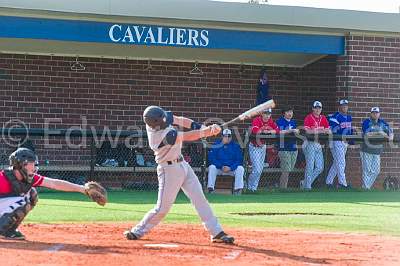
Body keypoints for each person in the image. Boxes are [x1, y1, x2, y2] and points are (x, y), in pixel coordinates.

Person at [124, 106, 234, 244]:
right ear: (156, 124)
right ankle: (137, 231)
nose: (167, 121)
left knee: (199, 199)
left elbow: (180, 120)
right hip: (169, 170)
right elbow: (188, 136)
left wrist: (201, 127)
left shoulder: (159, 118)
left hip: (183, 165)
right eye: (163, 121)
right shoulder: (159, 136)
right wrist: (207, 132)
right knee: (162, 208)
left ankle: (216, 232)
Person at [0, 148, 105, 240]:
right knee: (23, 201)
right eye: (29, 164)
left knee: (32, 195)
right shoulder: (3, 178)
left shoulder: (30, 178)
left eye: (33, 164)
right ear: (19, 165)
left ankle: (9, 230)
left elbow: (54, 183)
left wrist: (83, 189)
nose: (33, 168)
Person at [360, 107, 393, 190]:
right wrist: (379, 132)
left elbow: (390, 130)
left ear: (379, 114)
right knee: (367, 170)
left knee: (376, 171)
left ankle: (366, 187)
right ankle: (366, 188)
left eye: (376, 113)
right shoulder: (367, 122)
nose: (375, 114)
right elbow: (366, 134)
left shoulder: (382, 122)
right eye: (373, 113)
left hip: (377, 150)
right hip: (367, 149)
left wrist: (390, 136)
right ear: (371, 114)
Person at [301, 101, 331, 190]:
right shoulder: (308, 118)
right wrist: (321, 130)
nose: (318, 109)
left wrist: (319, 130)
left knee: (320, 167)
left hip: (318, 144)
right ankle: (307, 186)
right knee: (310, 165)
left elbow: (329, 131)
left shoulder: (323, 118)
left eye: (319, 108)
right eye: (316, 107)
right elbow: (308, 131)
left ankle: (305, 182)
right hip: (309, 143)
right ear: (313, 108)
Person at [247, 108, 279, 191]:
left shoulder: (271, 121)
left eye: (269, 114)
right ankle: (248, 185)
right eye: (265, 113)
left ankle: (253, 188)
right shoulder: (257, 120)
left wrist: (270, 131)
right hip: (254, 146)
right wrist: (265, 131)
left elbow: (277, 129)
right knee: (257, 169)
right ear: (262, 113)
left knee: (260, 169)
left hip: (263, 146)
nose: (267, 115)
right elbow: (255, 130)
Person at [326, 99, 354, 189]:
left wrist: (351, 142)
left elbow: (350, 130)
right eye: (343, 105)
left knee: (337, 162)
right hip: (336, 142)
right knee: (341, 162)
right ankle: (342, 183)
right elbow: (334, 131)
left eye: (346, 105)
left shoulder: (349, 117)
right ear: (340, 107)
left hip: (344, 142)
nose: (345, 107)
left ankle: (328, 182)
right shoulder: (335, 116)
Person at [207, 129, 244, 195]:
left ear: (231, 137)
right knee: (212, 167)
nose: (227, 138)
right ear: (222, 136)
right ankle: (210, 189)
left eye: (229, 136)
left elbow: (239, 160)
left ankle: (237, 190)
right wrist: (221, 166)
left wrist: (230, 168)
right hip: (219, 168)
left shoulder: (235, 146)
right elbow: (212, 158)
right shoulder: (216, 144)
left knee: (240, 168)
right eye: (225, 136)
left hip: (231, 169)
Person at [276, 106, 299, 189]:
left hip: (293, 148)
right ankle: (283, 188)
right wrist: (291, 130)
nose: (290, 113)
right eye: (288, 112)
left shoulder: (293, 122)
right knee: (286, 170)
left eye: (291, 112)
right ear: (283, 113)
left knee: (289, 169)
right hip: (283, 148)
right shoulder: (280, 121)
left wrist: (296, 131)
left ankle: (282, 186)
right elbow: (280, 132)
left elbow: (296, 133)